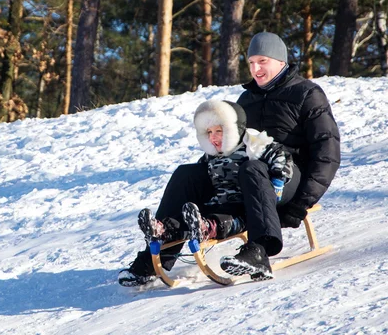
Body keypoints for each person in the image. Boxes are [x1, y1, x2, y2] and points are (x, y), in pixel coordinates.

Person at [118, 32, 340, 286]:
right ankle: (157, 255)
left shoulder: (306, 94)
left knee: (252, 168)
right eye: (251, 62)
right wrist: (208, 171)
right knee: (187, 174)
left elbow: (327, 153)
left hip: (288, 178)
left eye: (262, 61)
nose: (255, 69)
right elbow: (231, 142)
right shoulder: (247, 99)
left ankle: (259, 250)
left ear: (281, 61)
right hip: (247, 175)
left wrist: (301, 203)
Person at [118, 99, 294, 286]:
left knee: (217, 222)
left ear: (234, 128)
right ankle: (162, 233)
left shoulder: (254, 145)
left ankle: (257, 253)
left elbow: (281, 157)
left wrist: (277, 181)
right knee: (187, 190)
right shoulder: (211, 156)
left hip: (247, 209)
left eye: (219, 131)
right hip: (218, 204)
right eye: (209, 132)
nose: (213, 137)